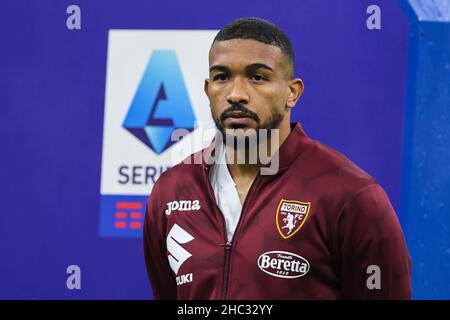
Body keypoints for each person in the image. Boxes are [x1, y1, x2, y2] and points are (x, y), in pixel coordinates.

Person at [143, 17, 411, 299]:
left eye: (257, 77)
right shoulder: (171, 189)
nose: (236, 94)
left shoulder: (351, 196)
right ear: (208, 90)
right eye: (222, 77)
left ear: (292, 93)